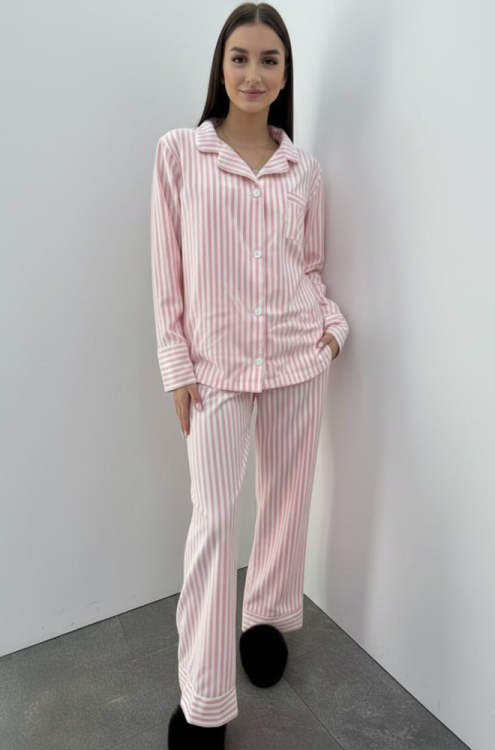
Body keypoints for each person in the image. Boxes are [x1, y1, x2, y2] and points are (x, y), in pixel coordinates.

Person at [150, 4, 349, 748]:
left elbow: (311, 267)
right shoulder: (180, 154)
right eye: (240, 57)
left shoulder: (305, 170)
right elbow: (166, 274)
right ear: (220, 65)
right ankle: (204, 699)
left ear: (286, 73)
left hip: (298, 357)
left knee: (286, 502)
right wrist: (176, 365)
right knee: (213, 522)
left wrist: (331, 329)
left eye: (270, 60)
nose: (254, 74)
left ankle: (263, 618)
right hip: (216, 372)